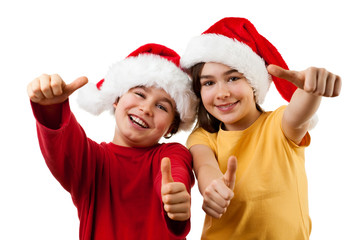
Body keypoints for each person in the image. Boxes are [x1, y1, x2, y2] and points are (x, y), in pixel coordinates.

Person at [180, 17, 341, 240]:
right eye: (209, 83)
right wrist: (213, 187)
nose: (222, 93)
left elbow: (299, 114)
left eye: (233, 78)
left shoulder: (279, 125)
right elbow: (205, 165)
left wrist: (311, 90)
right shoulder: (204, 137)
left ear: (254, 83)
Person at [27, 43, 198, 240]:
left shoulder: (172, 154)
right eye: (139, 94)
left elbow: (175, 172)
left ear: (171, 128)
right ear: (116, 99)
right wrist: (52, 108)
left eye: (162, 106)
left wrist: (174, 194)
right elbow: (63, 144)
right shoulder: (92, 161)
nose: (146, 109)